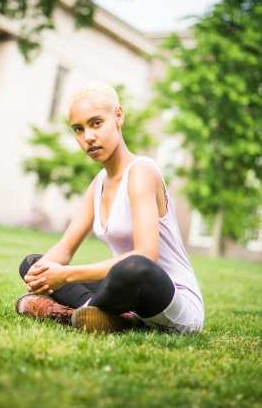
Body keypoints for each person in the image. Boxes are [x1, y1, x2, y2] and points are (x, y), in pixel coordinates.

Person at [16, 81, 205, 334]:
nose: (88, 137)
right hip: (124, 293)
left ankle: (75, 311)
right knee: (32, 264)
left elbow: (147, 256)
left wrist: (65, 276)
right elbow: (65, 247)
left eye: (96, 123)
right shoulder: (98, 184)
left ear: (118, 116)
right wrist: (41, 276)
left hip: (169, 298)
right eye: (78, 129)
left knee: (132, 267)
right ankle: (107, 316)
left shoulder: (142, 172)